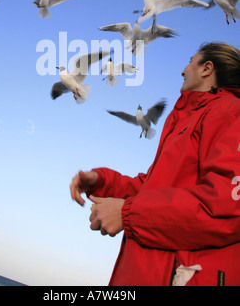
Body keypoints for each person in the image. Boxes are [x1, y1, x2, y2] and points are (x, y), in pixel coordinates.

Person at [70, 41, 240, 286]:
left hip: (185, 273)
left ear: (207, 69)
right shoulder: (182, 120)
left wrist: (127, 214)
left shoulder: (229, 112)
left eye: (190, 60)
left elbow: (227, 204)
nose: (182, 70)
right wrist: (101, 181)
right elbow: (153, 190)